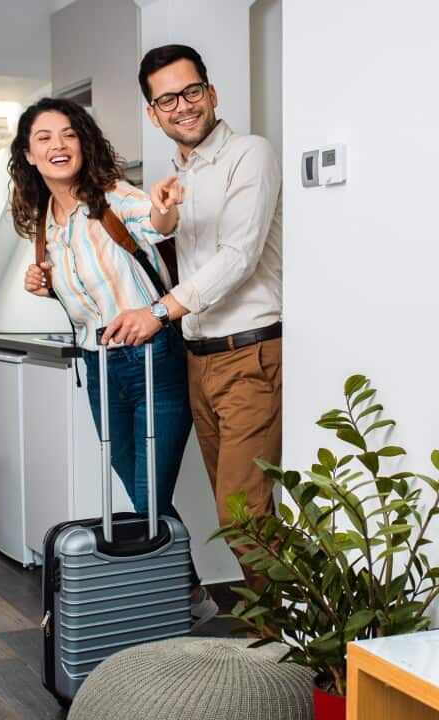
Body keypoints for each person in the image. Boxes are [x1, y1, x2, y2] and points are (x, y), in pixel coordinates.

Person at [12, 97, 217, 624]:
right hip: (99, 364)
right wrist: (41, 281)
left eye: (68, 134)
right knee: (131, 482)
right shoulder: (43, 223)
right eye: (44, 138)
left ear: (83, 142)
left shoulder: (110, 197)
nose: (58, 145)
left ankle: (176, 597)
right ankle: (186, 593)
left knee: (149, 494)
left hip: (154, 356)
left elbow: (153, 222)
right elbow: (80, 290)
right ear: (29, 155)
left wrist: (165, 206)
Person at [104, 45, 283, 592]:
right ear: (152, 114)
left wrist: (158, 312)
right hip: (199, 359)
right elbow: (175, 260)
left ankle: (284, 646)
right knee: (238, 514)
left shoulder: (250, 154)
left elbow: (238, 256)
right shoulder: (174, 177)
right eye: (166, 99)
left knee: (242, 514)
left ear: (212, 94)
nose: (182, 106)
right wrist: (161, 223)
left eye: (191, 91)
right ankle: (274, 636)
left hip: (249, 353)